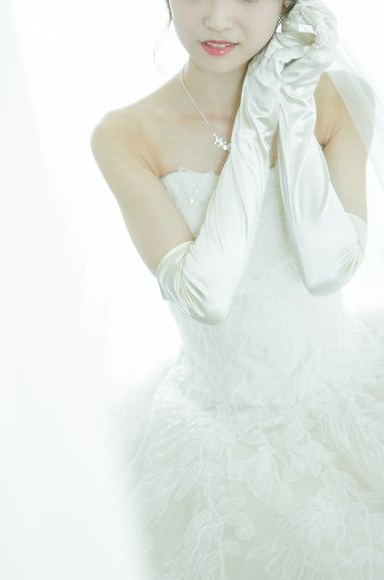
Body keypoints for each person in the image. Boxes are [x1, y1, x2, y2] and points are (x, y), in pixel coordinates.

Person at [90, 0, 384, 577]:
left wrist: (290, 109)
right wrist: (256, 116)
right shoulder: (125, 135)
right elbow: (205, 294)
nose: (218, 19)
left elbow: (330, 266)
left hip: (347, 385)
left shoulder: (342, 98)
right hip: (214, 429)